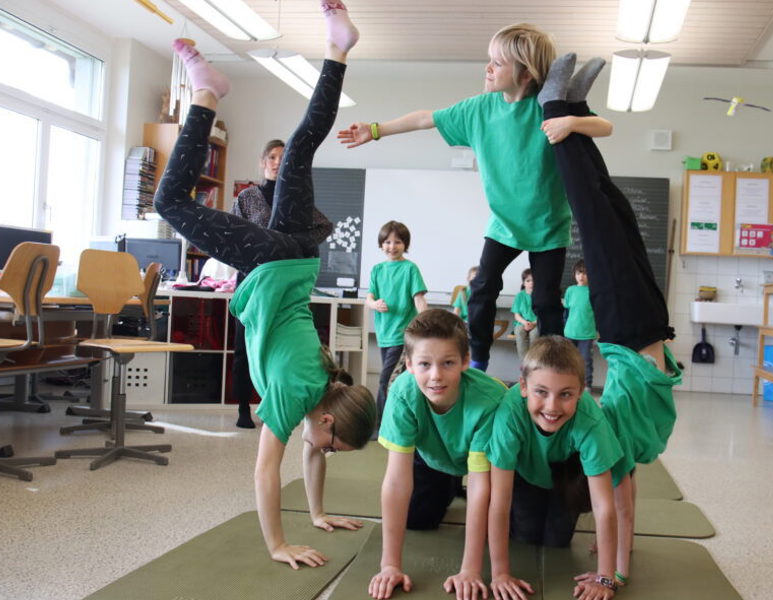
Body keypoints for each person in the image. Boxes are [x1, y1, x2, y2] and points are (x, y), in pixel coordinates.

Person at [154, 2, 376, 569]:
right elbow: (266, 469)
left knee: (298, 149)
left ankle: (338, 47)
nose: (324, 449)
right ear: (326, 419)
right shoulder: (298, 393)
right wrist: (279, 544)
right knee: (169, 202)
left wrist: (318, 514)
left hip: (299, 259)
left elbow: (311, 454)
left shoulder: (321, 385)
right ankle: (205, 94)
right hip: (275, 262)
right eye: (331, 442)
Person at [338, 24, 610, 373]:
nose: (488, 68)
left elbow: (605, 127)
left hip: (548, 226)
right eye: (489, 61)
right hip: (504, 224)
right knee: (481, 290)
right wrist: (375, 131)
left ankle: (553, 366)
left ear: (526, 73)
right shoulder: (480, 109)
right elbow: (425, 118)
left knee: (545, 301)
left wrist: (570, 123)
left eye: (498, 63)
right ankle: (478, 360)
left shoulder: (546, 108)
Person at [538, 53, 682, 586]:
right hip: (629, 329)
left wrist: (613, 548)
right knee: (596, 215)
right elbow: (619, 510)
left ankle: (574, 106)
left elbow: (626, 510)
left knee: (613, 209)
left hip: (648, 329)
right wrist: (611, 574)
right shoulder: (614, 457)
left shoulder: (626, 455)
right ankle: (555, 106)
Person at [370, 309, 506, 600]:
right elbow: (396, 481)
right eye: (424, 364)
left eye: (447, 363)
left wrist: (470, 568)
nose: (435, 376)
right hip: (433, 457)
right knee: (417, 519)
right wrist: (390, 565)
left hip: (486, 464)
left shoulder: (489, 401)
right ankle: (450, 485)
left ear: (466, 361)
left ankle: (455, 482)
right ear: (409, 365)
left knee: (516, 530)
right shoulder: (402, 394)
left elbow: (483, 485)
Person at [487, 336, 623, 600]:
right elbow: (499, 502)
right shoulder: (510, 413)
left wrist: (605, 577)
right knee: (525, 536)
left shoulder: (590, 421)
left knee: (557, 541)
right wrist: (500, 574)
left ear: (581, 390)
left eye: (565, 394)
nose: (552, 406)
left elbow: (605, 506)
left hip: (566, 478)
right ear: (524, 386)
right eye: (541, 392)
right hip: (525, 476)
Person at [229, 139, 333, 429]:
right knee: (243, 348)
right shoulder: (247, 197)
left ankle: (271, 406)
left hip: (284, 283)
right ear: (263, 162)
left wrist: (296, 246)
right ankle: (242, 409)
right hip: (252, 281)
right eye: (272, 157)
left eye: (283, 157)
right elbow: (233, 237)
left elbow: (324, 225)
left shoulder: (296, 198)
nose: (277, 161)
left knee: (278, 348)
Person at [367, 220, 427, 424]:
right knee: (396, 381)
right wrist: (375, 304)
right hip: (384, 335)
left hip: (402, 335)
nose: (392, 246)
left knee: (385, 381)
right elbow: (369, 298)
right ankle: (402, 419)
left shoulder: (410, 269)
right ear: (381, 244)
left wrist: (426, 325)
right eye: (387, 242)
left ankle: (381, 424)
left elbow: (419, 299)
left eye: (398, 242)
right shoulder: (377, 270)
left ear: (405, 245)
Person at [563, 260, 597, 390]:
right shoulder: (570, 290)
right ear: (574, 275)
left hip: (586, 334)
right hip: (570, 332)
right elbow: (566, 312)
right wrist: (565, 327)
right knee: (567, 360)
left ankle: (586, 385)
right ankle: (566, 384)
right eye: (578, 273)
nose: (581, 276)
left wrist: (597, 331)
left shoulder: (593, 292)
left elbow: (597, 313)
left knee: (586, 361)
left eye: (585, 273)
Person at [511, 268, 539, 358]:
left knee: (534, 334)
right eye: (528, 281)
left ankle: (533, 360)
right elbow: (517, 315)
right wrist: (525, 323)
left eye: (534, 280)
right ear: (523, 283)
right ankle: (524, 363)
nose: (531, 283)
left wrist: (533, 323)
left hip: (537, 323)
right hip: (522, 322)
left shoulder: (541, 295)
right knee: (519, 332)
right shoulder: (520, 296)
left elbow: (543, 314)